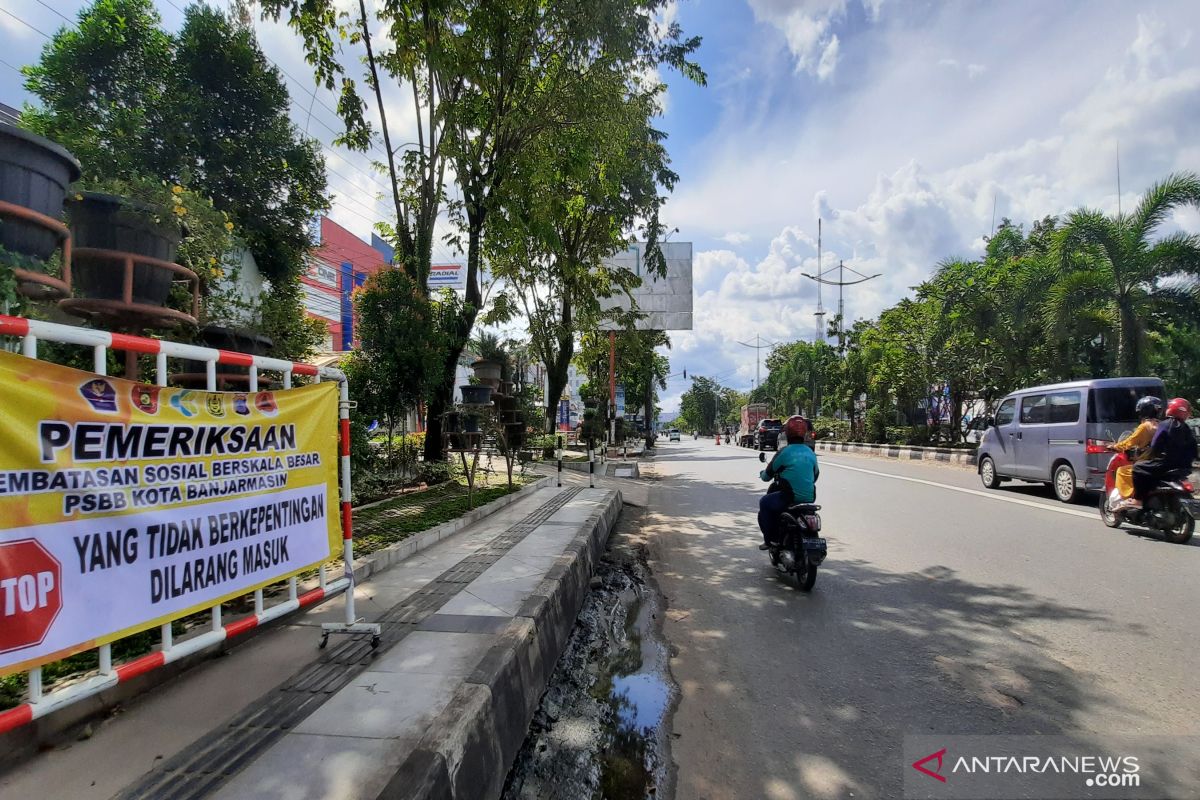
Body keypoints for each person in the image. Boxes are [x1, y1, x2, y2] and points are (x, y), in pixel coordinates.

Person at [757, 415, 819, 549]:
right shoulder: (810, 452)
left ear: (786, 433)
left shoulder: (783, 452)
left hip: (789, 497)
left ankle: (770, 540)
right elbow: (815, 475)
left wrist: (762, 474)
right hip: (809, 497)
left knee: (764, 503)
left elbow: (767, 475)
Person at [1130, 398, 1198, 508]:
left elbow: (1155, 445)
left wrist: (1150, 454)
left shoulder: (1165, 424)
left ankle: (1137, 500)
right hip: (1185, 468)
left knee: (1137, 468)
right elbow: (1194, 450)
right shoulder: (1187, 428)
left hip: (1165, 465)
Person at [1110, 396, 1162, 509]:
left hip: (1147, 462)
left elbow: (1130, 442)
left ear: (1144, 411)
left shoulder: (1144, 427)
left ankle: (1129, 499)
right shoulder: (1161, 425)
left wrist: (1115, 446)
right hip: (1160, 462)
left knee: (1121, 471)